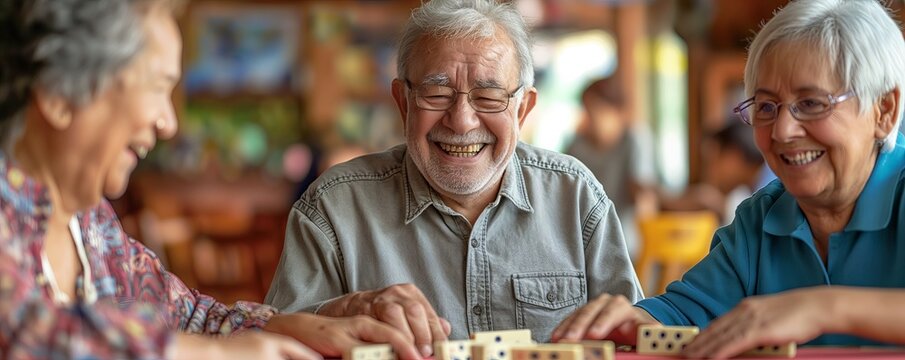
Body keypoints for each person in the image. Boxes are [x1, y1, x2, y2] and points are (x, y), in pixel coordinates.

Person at [0, 0, 421, 359]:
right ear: (58, 94)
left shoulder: (92, 226)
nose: (168, 123)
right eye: (156, 87)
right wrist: (209, 354)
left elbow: (190, 319)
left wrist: (318, 321)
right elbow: (23, 330)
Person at [265, 0, 643, 351]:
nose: (461, 121)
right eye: (436, 93)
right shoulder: (333, 208)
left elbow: (632, 339)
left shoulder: (576, 197)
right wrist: (345, 311)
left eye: (488, 97)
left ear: (523, 109)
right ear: (403, 102)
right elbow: (272, 340)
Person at [551, 0, 905, 357]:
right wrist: (632, 318)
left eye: (812, 103)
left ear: (884, 110)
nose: (782, 131)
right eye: (766, 107)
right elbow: (680, 315)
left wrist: (823, 308)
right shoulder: (761, 219)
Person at [565, 77, 659, 257]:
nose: (591, 117)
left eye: (597, 110)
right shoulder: (576, 146)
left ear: (618, 112)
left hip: (628, 245)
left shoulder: (634, 139)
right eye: (587, 110)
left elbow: (643, 195)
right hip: (584, 244)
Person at [660, 121, 775, 224]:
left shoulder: (770, 191)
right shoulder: (750, 190)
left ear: (734, 156)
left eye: (713, 159)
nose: (709, 170)